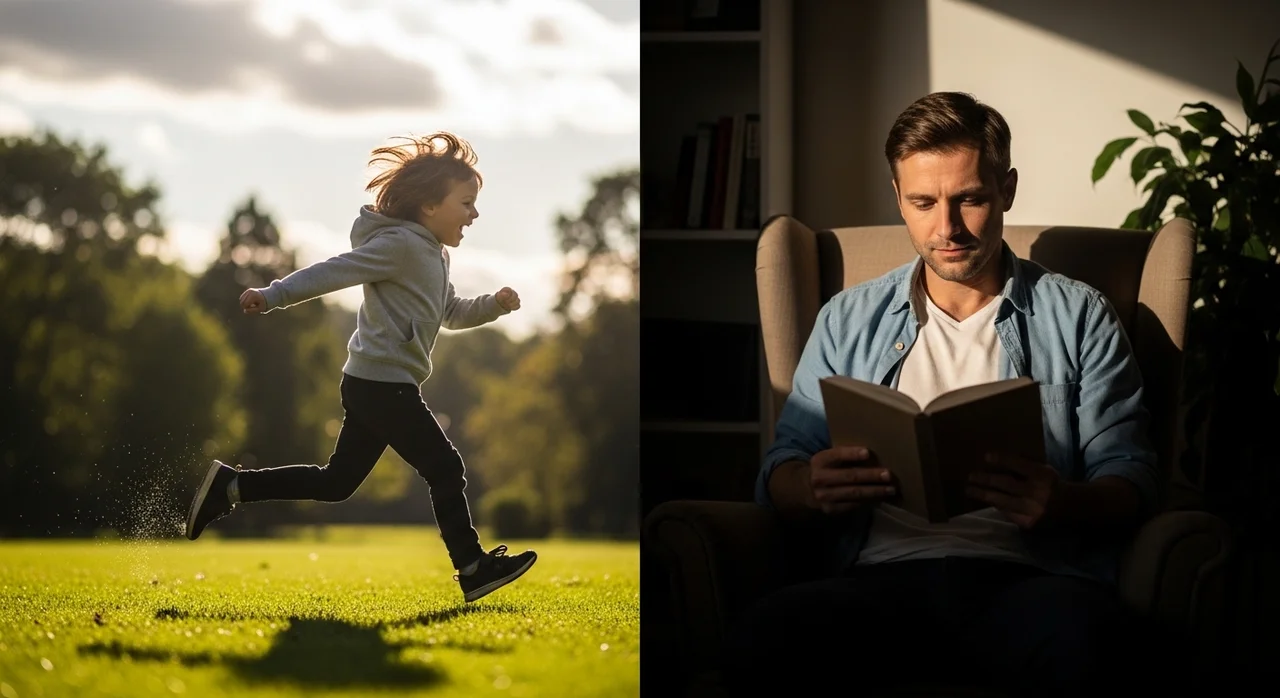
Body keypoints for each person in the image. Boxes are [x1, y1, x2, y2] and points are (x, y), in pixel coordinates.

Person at [721, 93, 1180, 696]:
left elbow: (1132, 477)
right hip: (874, 581)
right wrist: (809, 487)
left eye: (970, 199)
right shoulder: (845, 319)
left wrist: (1062, 501)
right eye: (923, 202)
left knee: (1089, 643)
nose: (948, 228)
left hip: (1028, 580)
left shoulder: (1079, 315)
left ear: (1007, 189)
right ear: (898, 198)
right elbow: (782, 467)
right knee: (767, 636)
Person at [183, 132, 537, 604]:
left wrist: (492, 305)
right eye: (467, 203)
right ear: (430, 206)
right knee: (446, 467)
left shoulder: (434, 255)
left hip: (378, 384)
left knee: (336, 483)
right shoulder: (400, 246)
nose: (474, 214)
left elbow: (450, 312)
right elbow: (336, 270)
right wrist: (274, 295)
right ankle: (472, 568)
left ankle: (231, 486)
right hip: (382, 385)